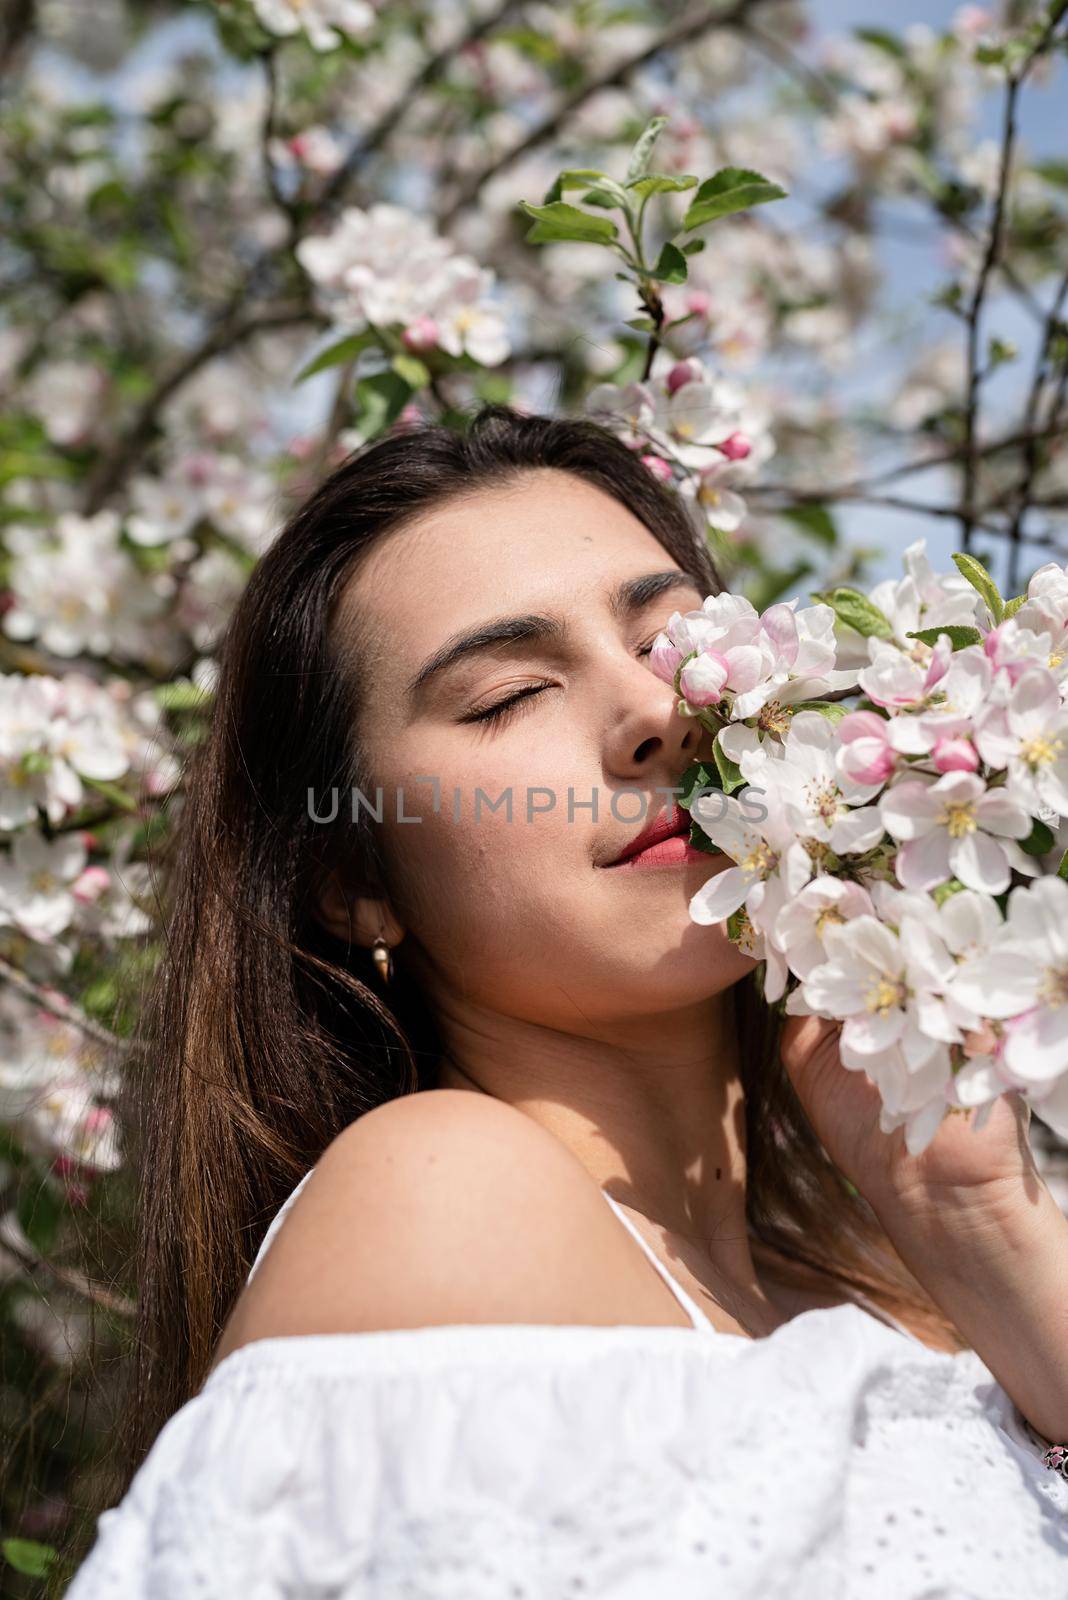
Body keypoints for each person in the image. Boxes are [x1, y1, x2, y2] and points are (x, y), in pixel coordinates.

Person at [67, 406, 1068, 1598]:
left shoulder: (895, 1285)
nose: (655, 714)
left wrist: (985, 1236)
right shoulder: (444, 1192)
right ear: (353, 882)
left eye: (672, 641)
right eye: (505, 697)